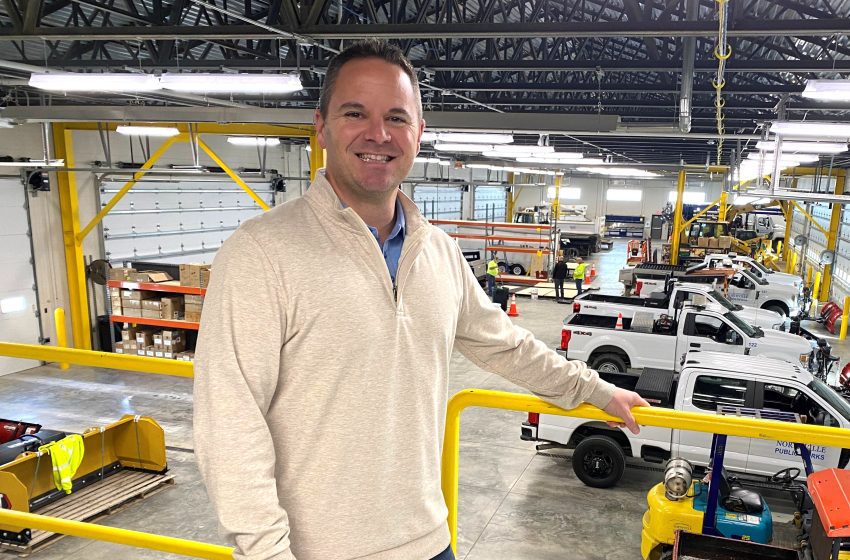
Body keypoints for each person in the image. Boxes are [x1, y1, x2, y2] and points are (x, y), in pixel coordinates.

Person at [193, 39, 648, 560]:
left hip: (429, 542)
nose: (378, 134)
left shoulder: (437, 252)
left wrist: (595, 391)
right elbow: (230, 421)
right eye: (354, 113)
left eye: (396, 117)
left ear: (419, 133)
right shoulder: (261, 254)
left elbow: (505, 344)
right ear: (320, 126)